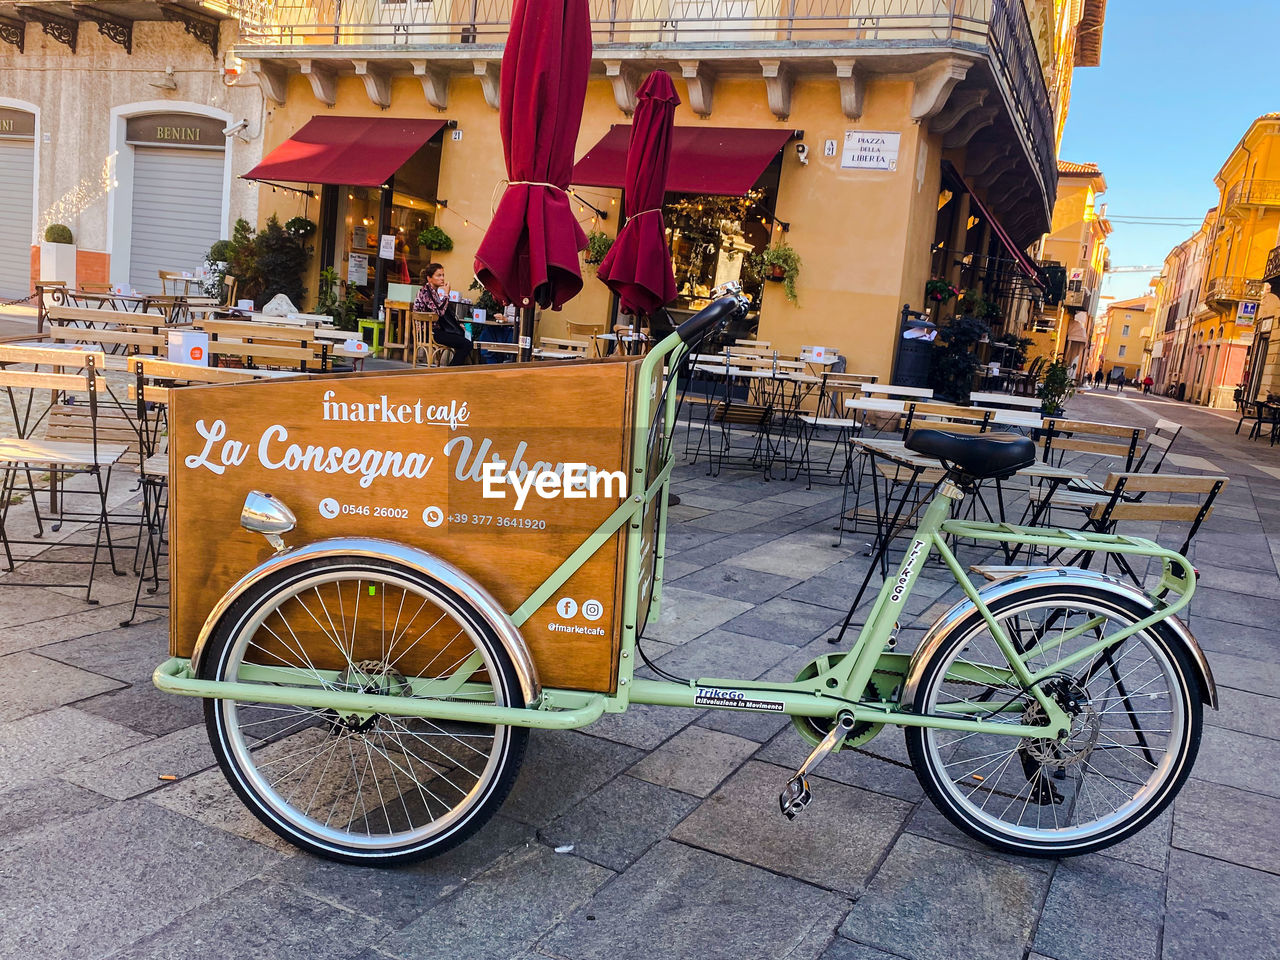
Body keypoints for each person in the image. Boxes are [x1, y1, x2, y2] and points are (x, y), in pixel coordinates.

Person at [413, 263, 471, 366]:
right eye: (438, 275)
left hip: (435, 330)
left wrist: (456, 325)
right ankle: (451, 370)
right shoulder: (426, 293)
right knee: (466, 344)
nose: (442, 278)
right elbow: (440, 312)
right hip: (429, 333)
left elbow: (443, 313)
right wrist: (446, 294)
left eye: (443, 275)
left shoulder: (432, 292)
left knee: (462, 339)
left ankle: (453, 369)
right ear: (429, 278)